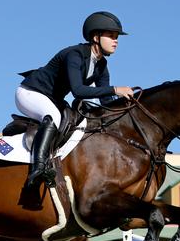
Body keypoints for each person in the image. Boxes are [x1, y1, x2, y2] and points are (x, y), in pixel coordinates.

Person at [16, 11, 134, 187]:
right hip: (30, 93)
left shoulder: (101, 65)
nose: (115, 41)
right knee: (53, 118)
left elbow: (106, 102)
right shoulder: (75, 55)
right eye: (111, 36)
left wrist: (128, 110)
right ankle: (38, 169)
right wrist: (116, 89)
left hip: (53, 99)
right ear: (96, 37)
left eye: (116, 37)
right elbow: (78, 91)